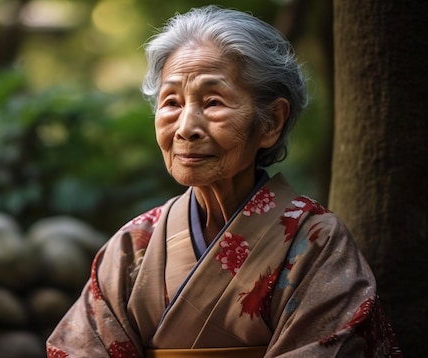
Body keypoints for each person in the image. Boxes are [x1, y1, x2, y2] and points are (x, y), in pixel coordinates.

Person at [46, 6, 402, 358]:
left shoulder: (316, 244)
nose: (186, 128)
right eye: (171, 102)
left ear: (271, 122)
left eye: (213, 102)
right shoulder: (133, 246)